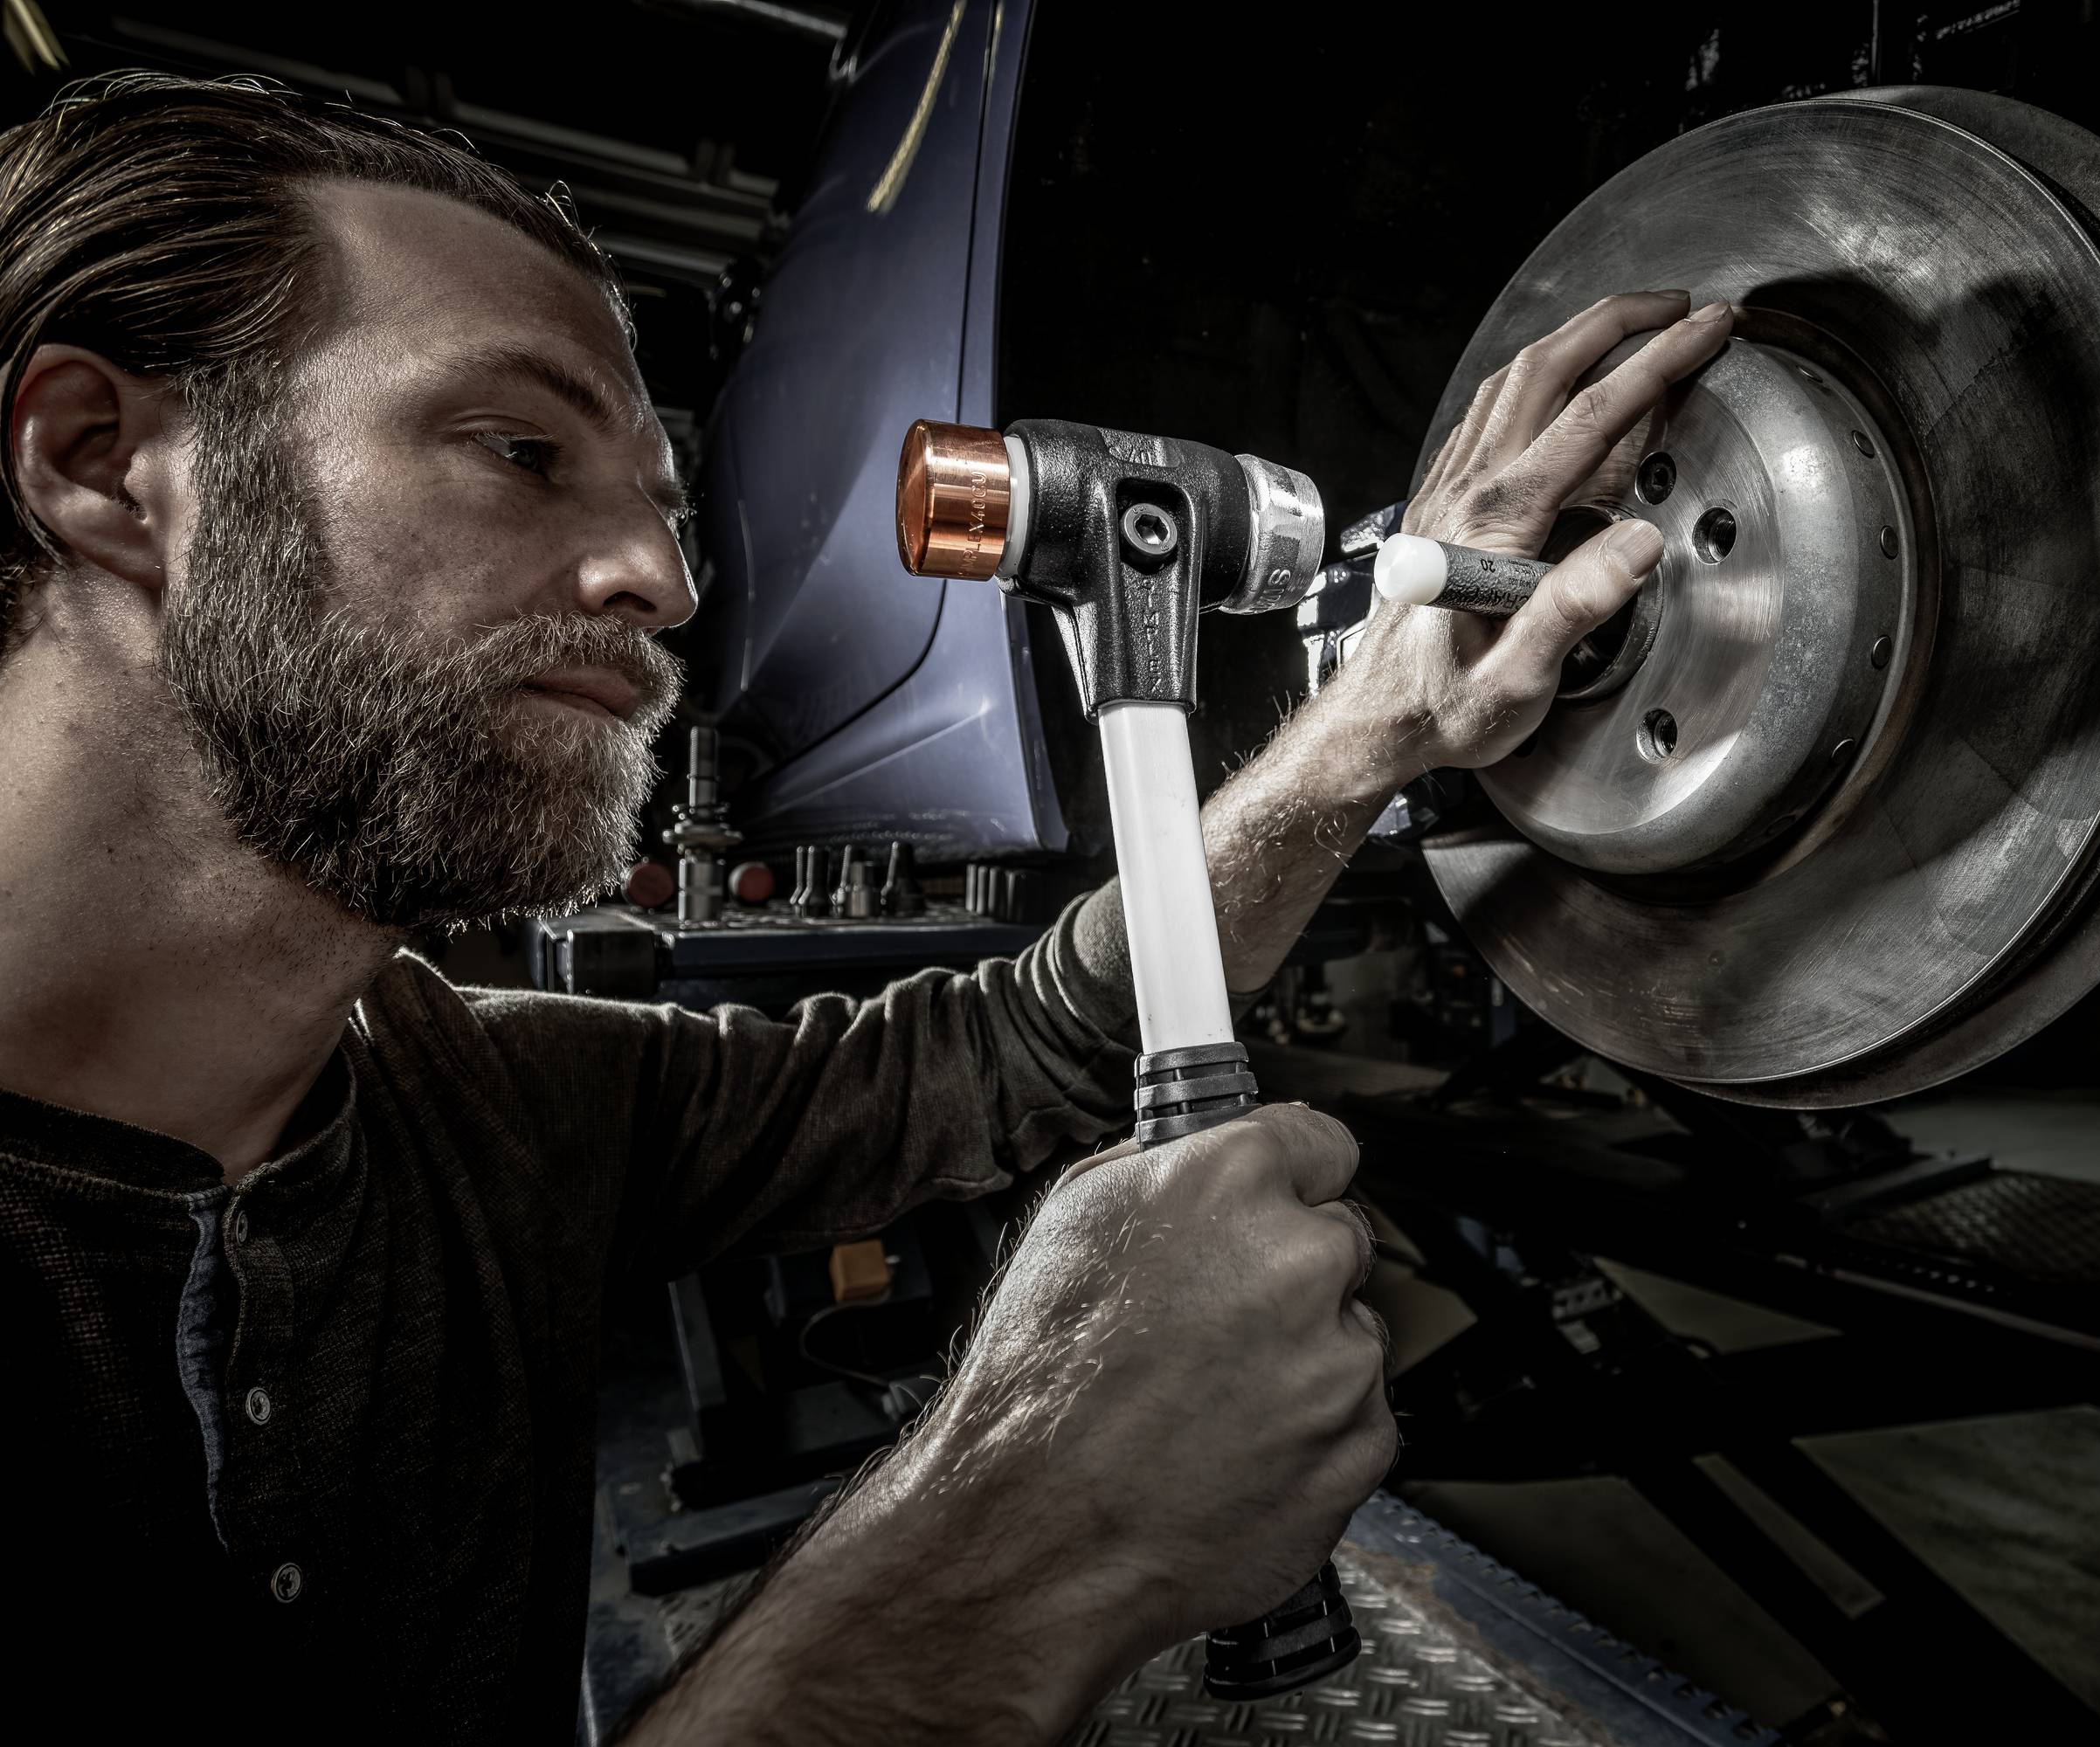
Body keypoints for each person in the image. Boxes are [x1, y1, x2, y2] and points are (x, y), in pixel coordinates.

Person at [0, 72, 1734, 1742]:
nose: (663, 582)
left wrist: (1364, 735)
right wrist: (1008, 1551)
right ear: (102, 461)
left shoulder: (488, 1108)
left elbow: (1008, 1041)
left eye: (659, 508)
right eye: (523, 448)